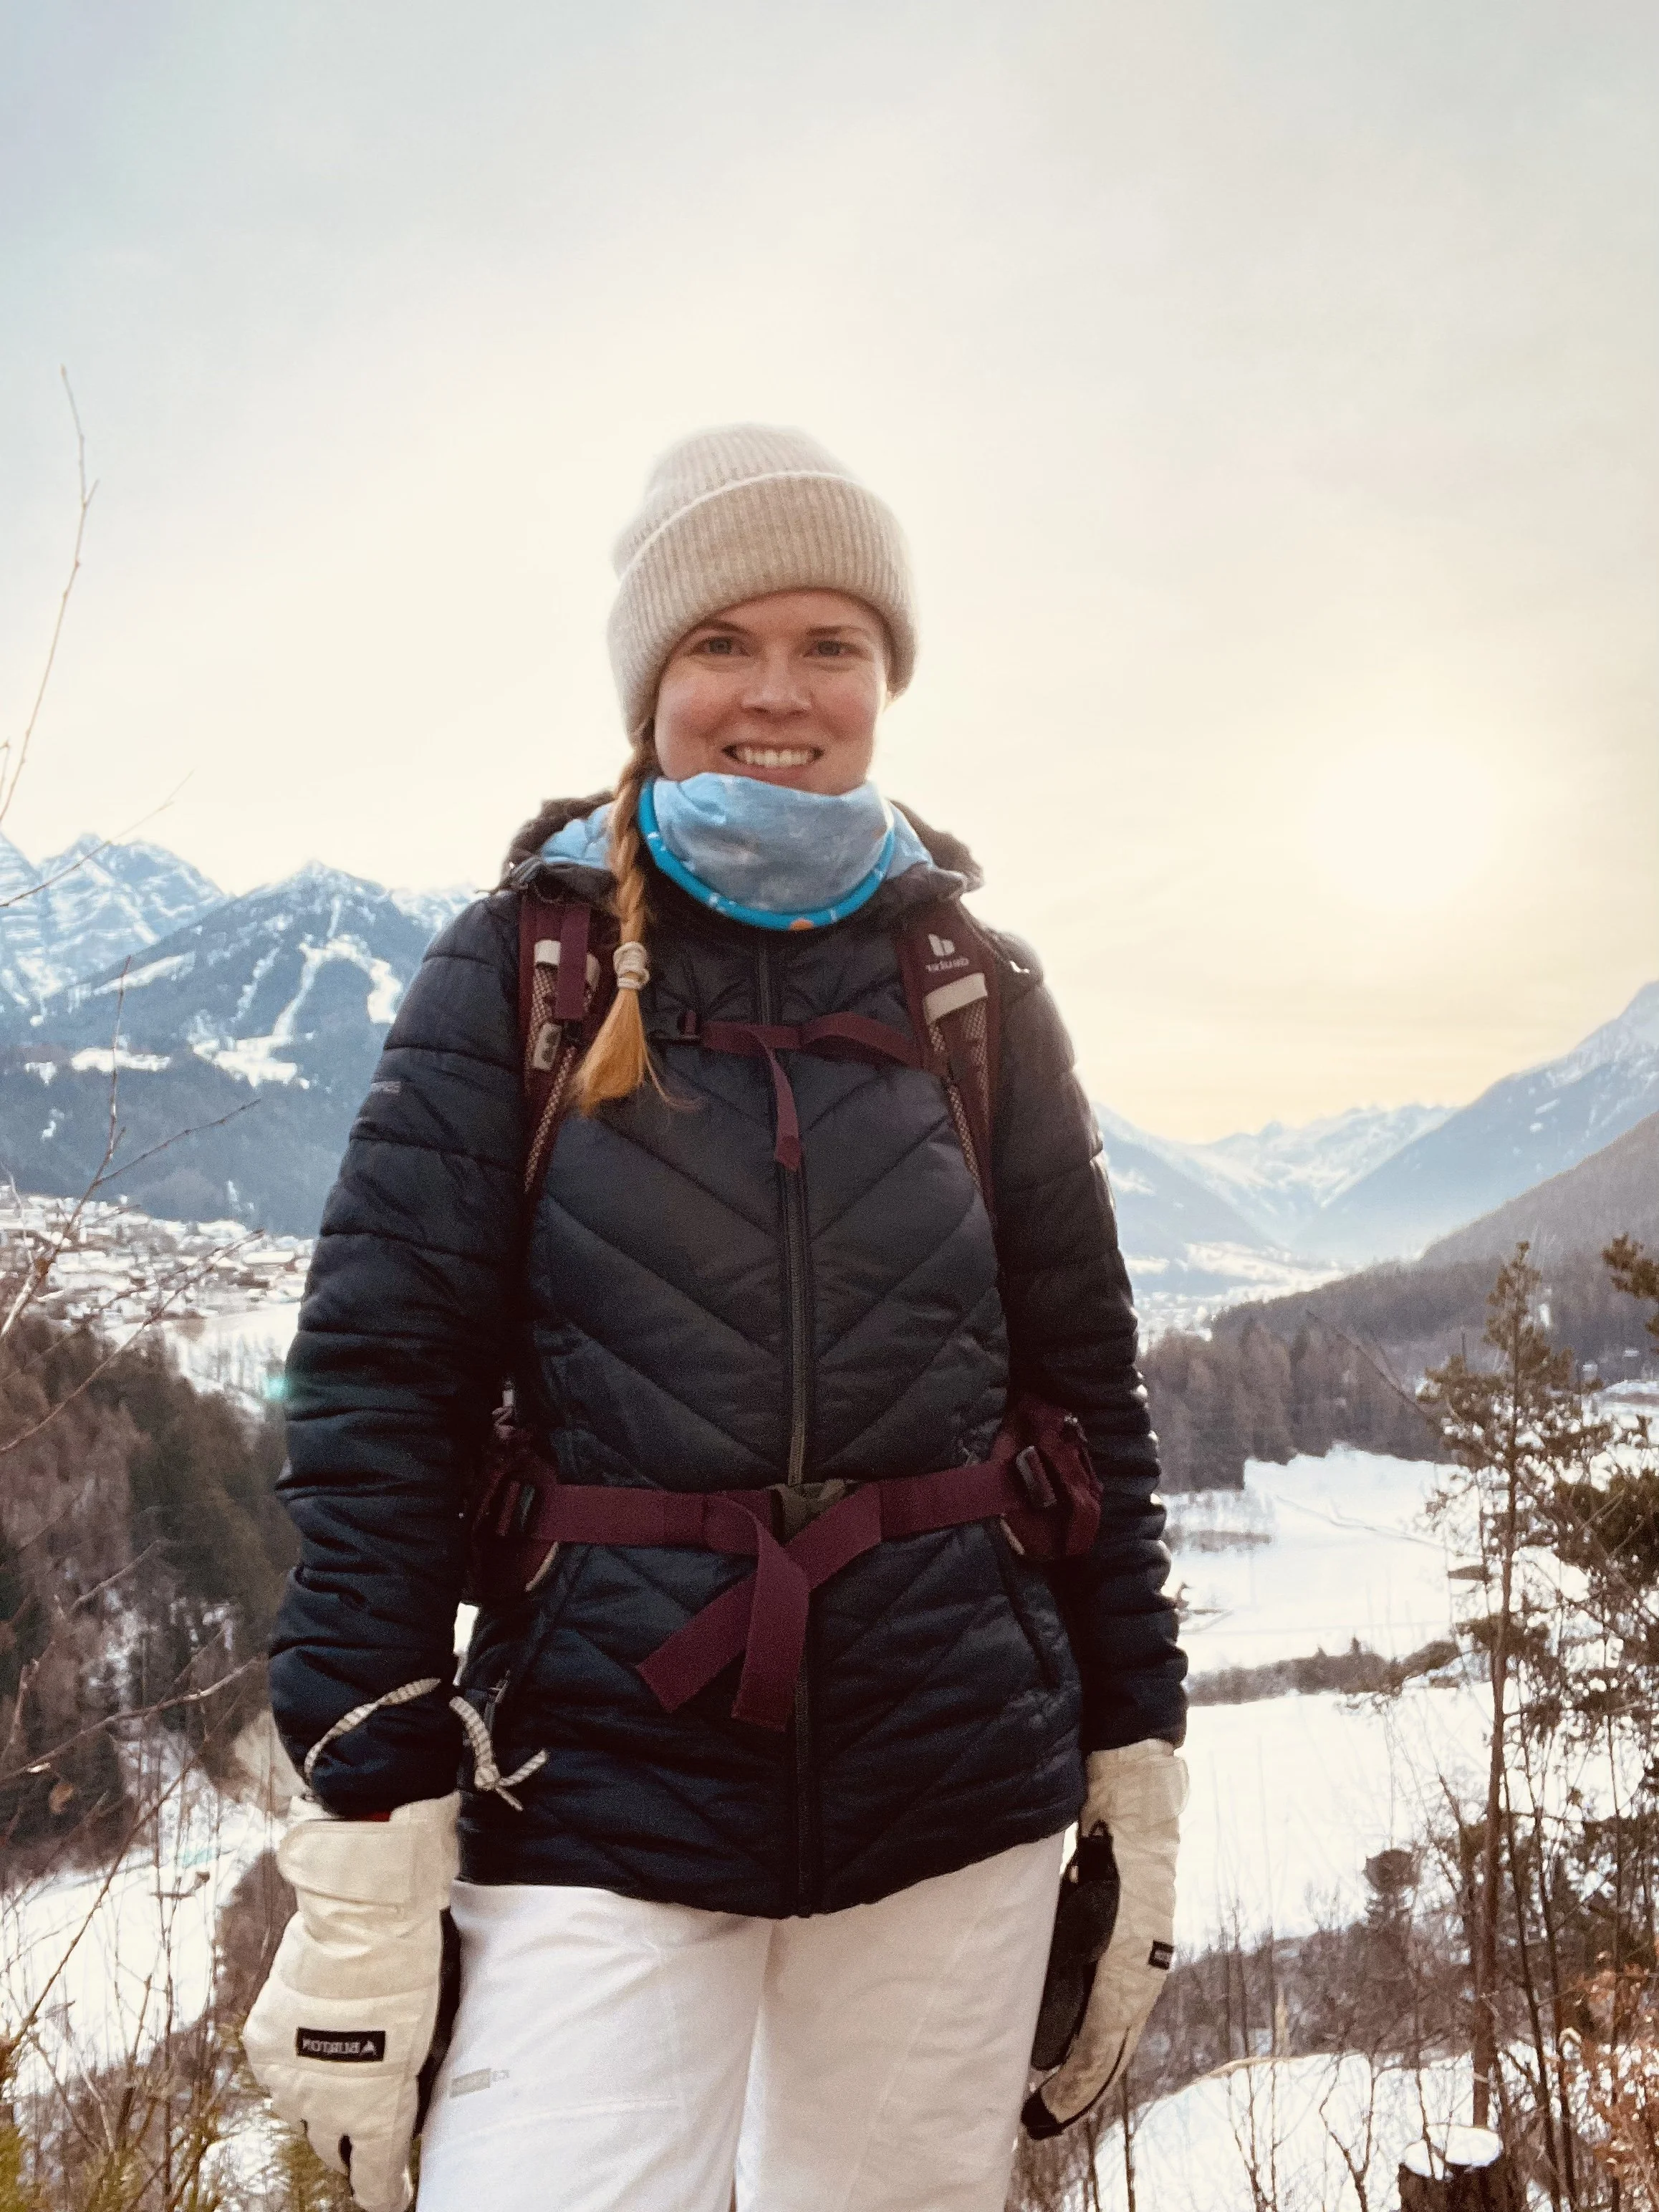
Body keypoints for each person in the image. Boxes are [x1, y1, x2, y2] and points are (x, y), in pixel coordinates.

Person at [244, 425, 1188, 2212]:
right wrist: (365, 1839)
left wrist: (1136, 1753)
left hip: (956, 1782)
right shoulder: (521, 970)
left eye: (833, 644)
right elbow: (378, 1404)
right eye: (721, 644)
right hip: (597, 1783)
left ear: (886, 679)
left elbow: (1089, 1393)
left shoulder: (974, 987)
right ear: (649, 679)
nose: (779, 692)